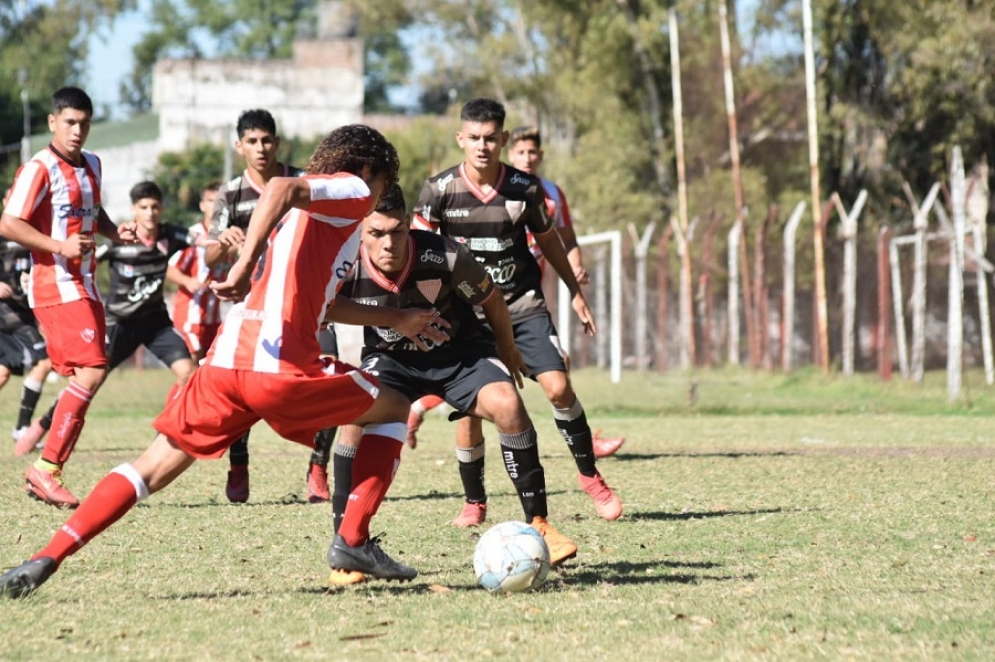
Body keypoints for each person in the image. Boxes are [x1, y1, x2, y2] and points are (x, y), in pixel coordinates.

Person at [0, 124, 450, 599]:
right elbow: (279, 185)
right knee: (395, 406)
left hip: (225, 367)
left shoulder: (309, 217)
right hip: (279, 370)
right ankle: (353, 540)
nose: (378, 198)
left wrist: (396, 318)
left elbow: (322, 303)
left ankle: (46, 557)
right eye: (383, 183)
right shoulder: (354, 188)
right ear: (366, 168)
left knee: (148, 469)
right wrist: (240, 264)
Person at [328, 184, 578, 585]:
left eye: (396, 231)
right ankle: (347, 545)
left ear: (409, 224)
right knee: (353, 420)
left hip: (461, 355)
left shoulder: (443, 254)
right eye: (376, 233)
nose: (388, 243)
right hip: (392, 362)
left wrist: (507, 348)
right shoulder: (344, 262)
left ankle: (541, 523)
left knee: (509, 406)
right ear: (361, 231)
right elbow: (320, 308)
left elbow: (492, 299)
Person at [412, 97, 622, 528]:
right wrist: (426, 307)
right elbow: (420, 253)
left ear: (504, 139)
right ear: (461, 139)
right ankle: (475, 501)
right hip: (469, 317)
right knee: (472, 411)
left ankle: (591, 477)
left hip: (523, 306)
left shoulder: (525, 189)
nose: (483, 146)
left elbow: (549, 243)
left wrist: (574, 291)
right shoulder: (438, 190)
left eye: (491, 138)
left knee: (559, 388)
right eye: (474, 138)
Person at [0, 86, 137, 507]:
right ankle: (46, 469)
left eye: (84, 124)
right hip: (53, 286)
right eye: (70, 122)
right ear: (53, 122)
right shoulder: (39, 167)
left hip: (86, 284)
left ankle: (45, 464)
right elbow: (9, 224)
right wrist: (59, 247)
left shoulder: (93, 163)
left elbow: (92, 213)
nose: (77, 131)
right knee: (92, 372)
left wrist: (114, 231)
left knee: (87, 375)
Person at [16, 181, 198, 452]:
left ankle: (169, 436)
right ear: (134, 209)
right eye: (144, 207)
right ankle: (42, 425)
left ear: (161, 208)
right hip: (119, 324)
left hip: (155, 323)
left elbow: (204, 240)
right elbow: (84, 259)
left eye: (155, 207)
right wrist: (43, 273)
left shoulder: (171, 235)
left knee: (189, 374)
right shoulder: (118, 241)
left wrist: (226, 238)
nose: (150, 213)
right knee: (87, 382)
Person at [205, 108, 307, 503]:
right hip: (251, 301)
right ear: (239, 146)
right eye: (252, 141)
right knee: (242, 388)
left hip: (301, 296)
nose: (260, 148)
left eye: (266, 140)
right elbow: (211, 255)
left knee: (320, 375)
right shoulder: (231, 193)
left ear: (277, 143)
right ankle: (239, 462)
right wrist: (225, 242)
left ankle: (317, 470)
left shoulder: (299, 181)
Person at [507, 125, 625, 459]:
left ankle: (583, 442)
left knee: (559, 364)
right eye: (520, 152)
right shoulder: (498, 191)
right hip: (489, 298)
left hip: (529, 299)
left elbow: (567, 240)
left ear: (540, 156)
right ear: (509, 153)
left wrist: (574, 268)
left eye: (532, 152)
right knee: (483, 370)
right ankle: (474, 493)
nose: (527, 158)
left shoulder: (552, 194)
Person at [167, 182, 226, 363]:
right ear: (202, 205)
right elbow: (169, 269)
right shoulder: (192, 235)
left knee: (209, 371)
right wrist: (187, 281)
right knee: (191, 366)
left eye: (220, 201)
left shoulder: (229, 235)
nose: (215, 206)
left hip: (214, 318)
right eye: (210, 201)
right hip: (189, 317)